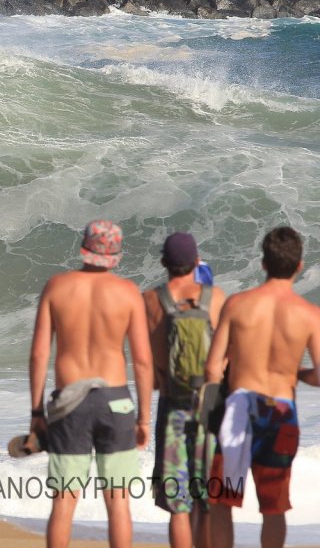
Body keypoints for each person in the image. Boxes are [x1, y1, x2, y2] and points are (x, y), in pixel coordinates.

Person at [28, 220, 152, 548]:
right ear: (116, 254)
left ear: (84, 246)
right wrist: (143, 417)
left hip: (70, 400)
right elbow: (141, 361)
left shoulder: (57, 287)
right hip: (116, 401)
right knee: (118, 500)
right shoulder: (127, 293)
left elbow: (39, 355)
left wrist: (36, 410)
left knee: (64, 501)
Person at [204, 227, 320, 548]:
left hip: (237, 414)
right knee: (274, 507)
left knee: (221, 500)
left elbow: (213, 366)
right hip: (280, 414)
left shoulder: (238, 304)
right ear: (299, 266)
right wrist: (295, 373)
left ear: (263, 263)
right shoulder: (310, 314)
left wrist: (209, 414)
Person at [144, 233, 225, 548]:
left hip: (172, 404)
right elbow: (227, 356)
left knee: (178, 504)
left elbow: (150, 367)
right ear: (196, 262)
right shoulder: (216, 298)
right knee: (205, 500)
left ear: (163, 263)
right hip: (210, 405)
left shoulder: (150, 300)